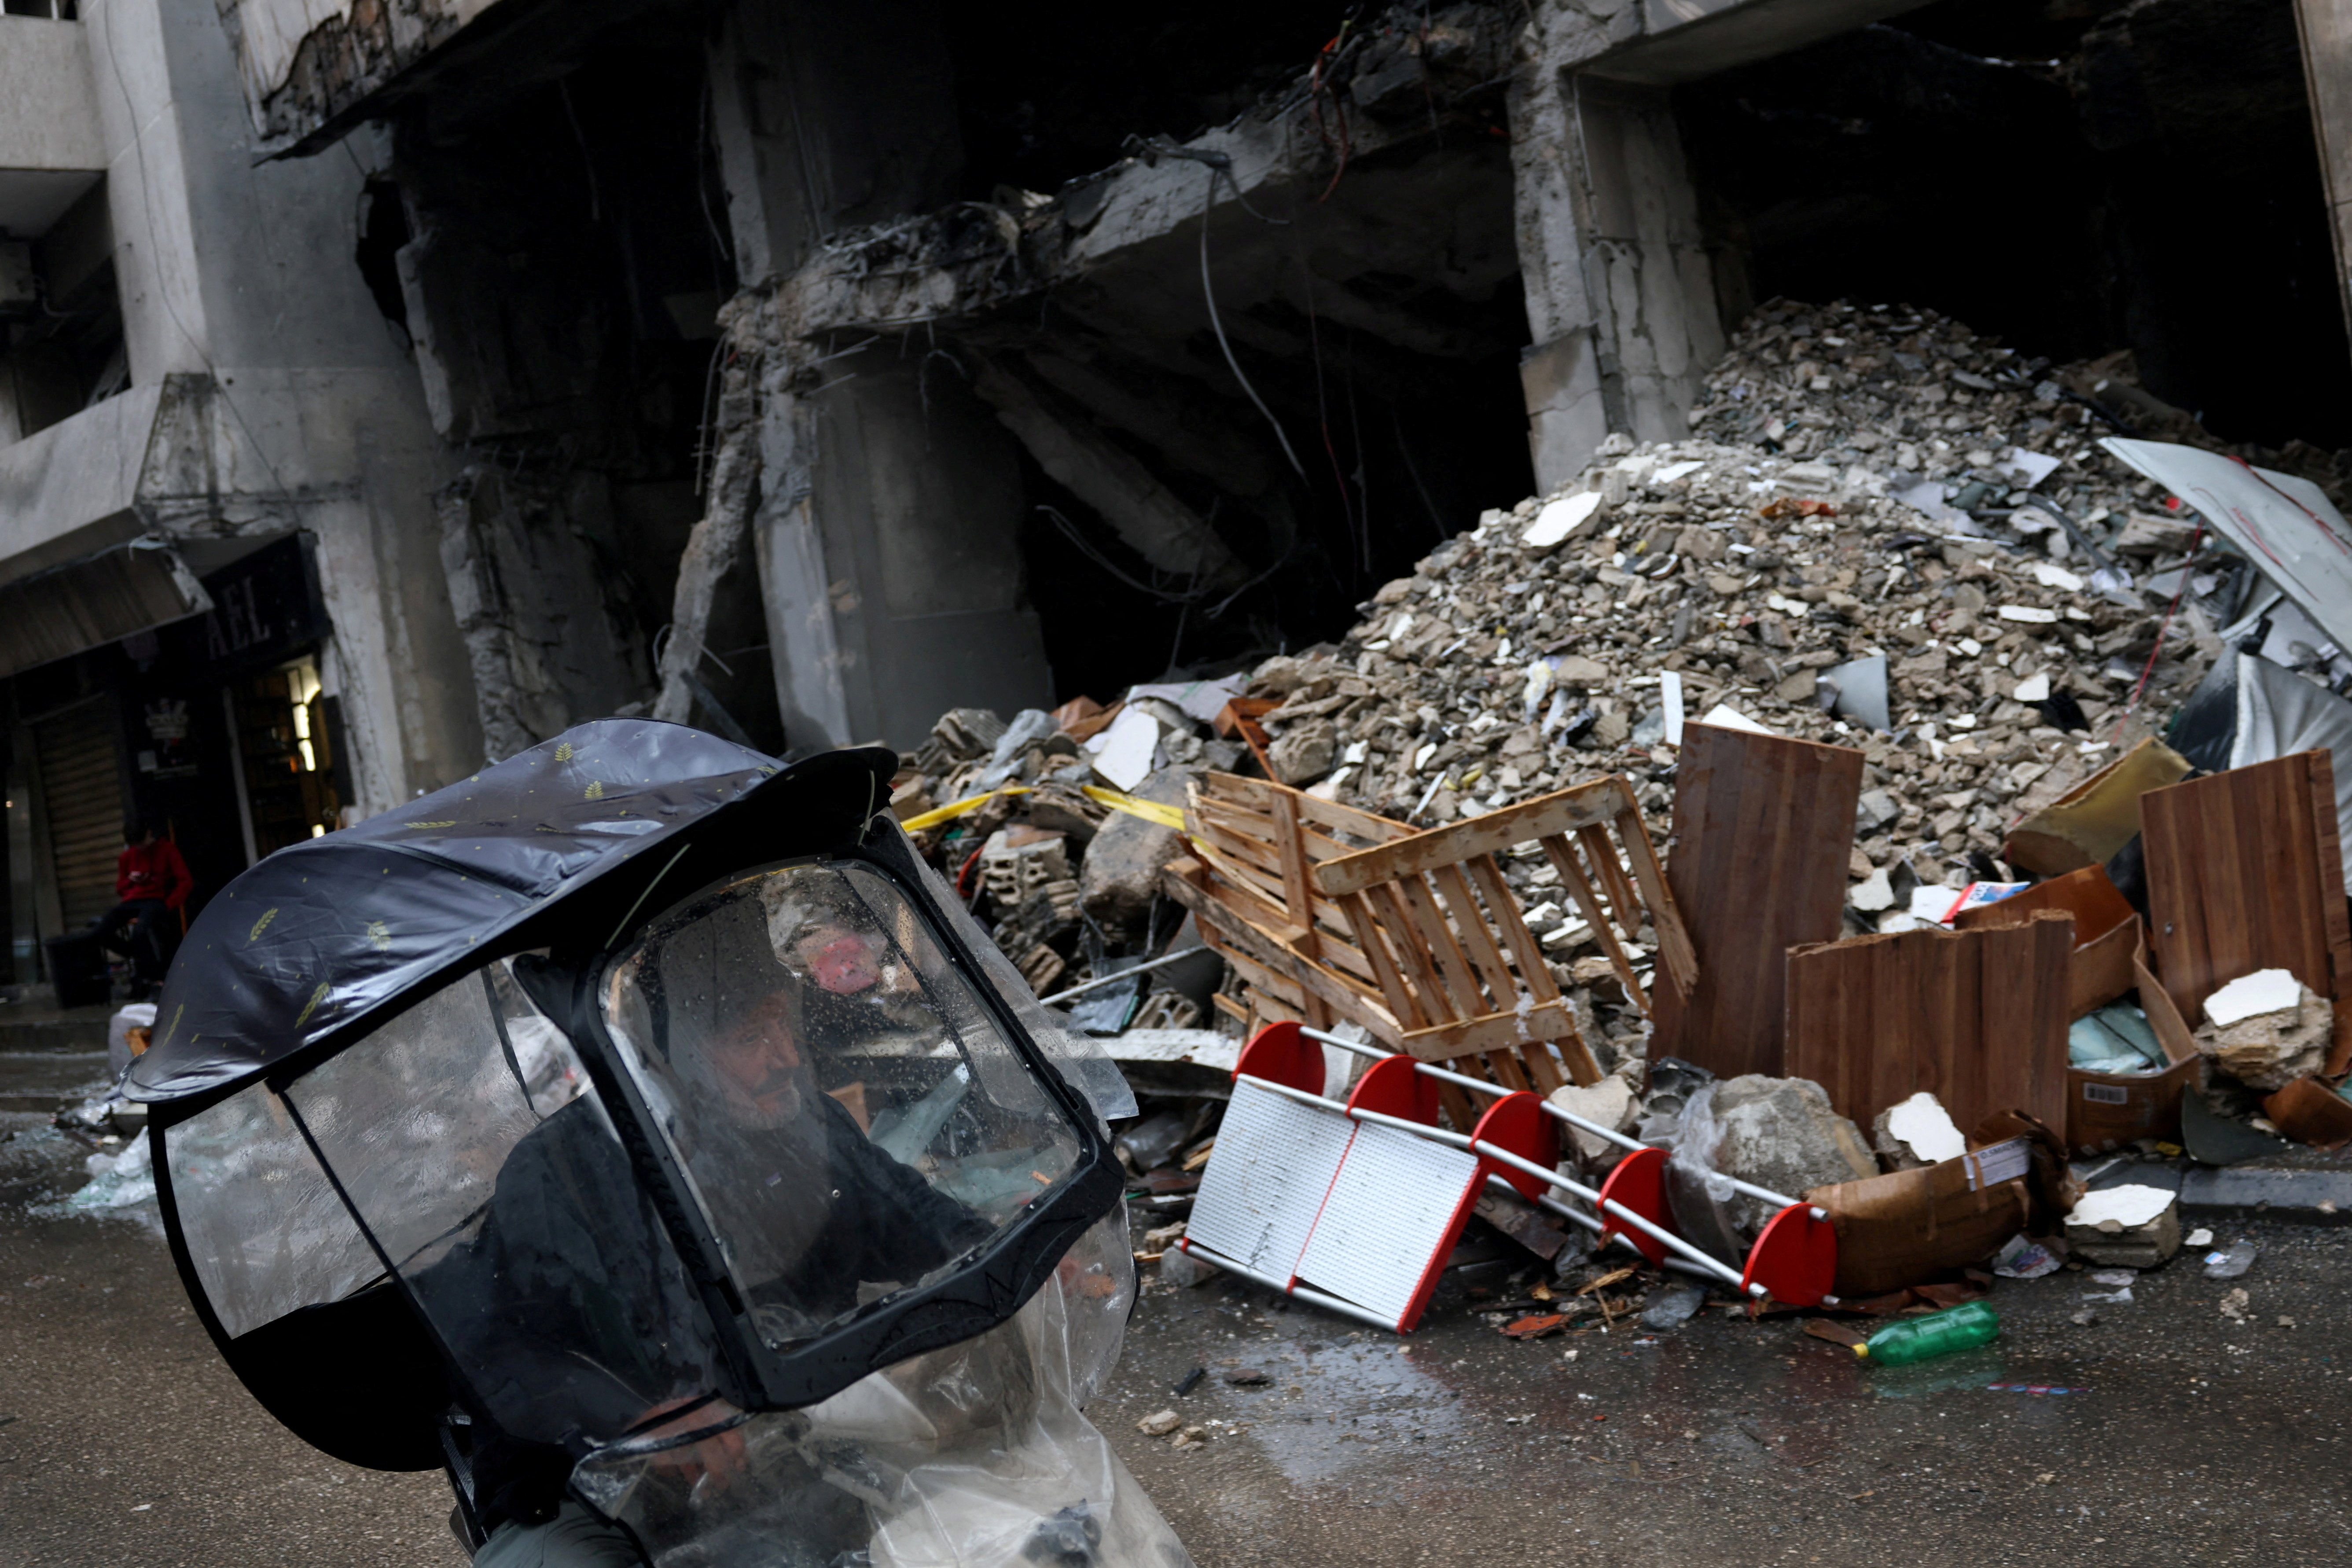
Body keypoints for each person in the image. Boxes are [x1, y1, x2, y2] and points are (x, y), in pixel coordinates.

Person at [94, 819, 192, 995]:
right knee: (101, 931)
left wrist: (170, 904)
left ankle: (153, 975)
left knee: (141, 932)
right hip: (132, 900)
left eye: (141, 843)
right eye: (135, 844)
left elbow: (185, 881)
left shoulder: (166, 850)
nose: (139, 848)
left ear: (148, 834)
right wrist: (131, 880)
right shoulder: (127, 857)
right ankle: (137, 956)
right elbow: (120, 888)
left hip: (157, 899)